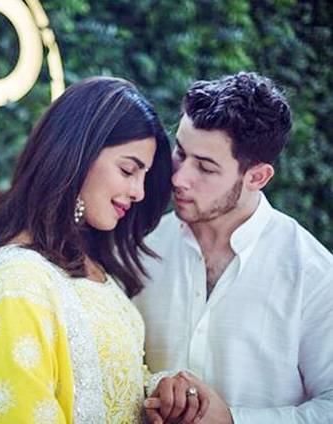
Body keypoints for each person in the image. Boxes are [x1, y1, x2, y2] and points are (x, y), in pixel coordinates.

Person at [0, 77, 209, 423]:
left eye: (143, 175)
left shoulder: (91, 262)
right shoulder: (17, 278)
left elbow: (111, 384)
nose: (139, 191)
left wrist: (157, 393)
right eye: (128, 170)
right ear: (77, 155)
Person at [135, 71, 333, 423]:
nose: (179, 178)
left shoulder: (314, 275)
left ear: (257, 177)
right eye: (181, 152)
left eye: (205, 167)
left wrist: (232, 420)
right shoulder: (142, 250)